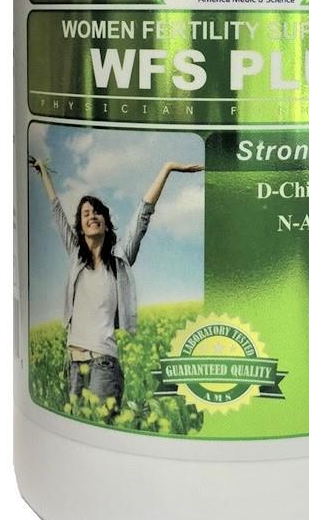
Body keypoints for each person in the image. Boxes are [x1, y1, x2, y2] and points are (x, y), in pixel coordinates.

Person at [30, 156, 203, 407]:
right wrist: (43, 172)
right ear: (80, 226)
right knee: (80, 423)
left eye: (97, 212)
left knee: (100, 422)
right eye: (86, 214)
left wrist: (167, 168)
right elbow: (57, 210)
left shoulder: (120, 258)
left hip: (103, 363)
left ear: (106, 223)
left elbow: (143, 213)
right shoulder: (76, 256)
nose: (92, 216)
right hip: (73, 364)